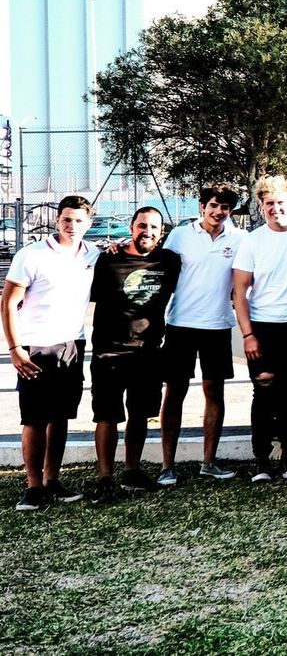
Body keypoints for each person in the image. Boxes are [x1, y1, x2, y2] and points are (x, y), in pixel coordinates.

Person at [5, 196, 98, 510]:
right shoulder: (31, 255)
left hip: (72, 345)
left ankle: (52, 480)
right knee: (34, 418)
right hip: (35, 347)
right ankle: (33, 488)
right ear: (57, 220)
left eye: (79, 221)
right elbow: (7, 303)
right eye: (67, 219)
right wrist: (16, 349)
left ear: (89, 223)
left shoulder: (92, 254)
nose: (72, 226)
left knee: (60, 418)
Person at [88, 208, 182, 503]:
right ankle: (105, 477)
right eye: (142, 225)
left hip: (148, 352)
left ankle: (132, 470)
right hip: (109, 351)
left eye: (154, 227)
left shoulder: (169, 261)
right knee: (106, 416)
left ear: (161, 232)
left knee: (140, 415)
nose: (147, 231)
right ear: (131, 227)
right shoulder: (109, 259)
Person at [232, 176, 287, 483]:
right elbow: (240, 291)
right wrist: (248, 334)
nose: (275, 209)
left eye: (280, 203)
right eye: (268, 203)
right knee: (265, 392)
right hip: (263, 327)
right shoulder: (252, 240)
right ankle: (261, 460)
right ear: (261, 206)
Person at [158, 183, 245, 485]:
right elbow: (159, 272)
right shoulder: (180, 235)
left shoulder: (239, 239)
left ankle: (209, 462)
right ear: (202, 206)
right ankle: (167, 466)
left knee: (214, 393)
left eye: (226, 208)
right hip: (180, 324)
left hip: (218, 326)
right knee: (175, 393)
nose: (219, 212)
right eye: (214, 205)